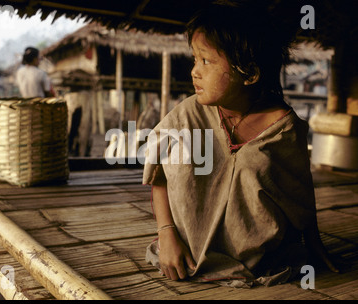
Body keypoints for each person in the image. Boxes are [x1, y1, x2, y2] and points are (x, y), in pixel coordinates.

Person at [143, 0, 338, 288]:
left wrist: (314, 244)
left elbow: (299, 193)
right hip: (186, 255)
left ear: (249, 73)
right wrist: (167, 234)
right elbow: (159, 175)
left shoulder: (283, 129)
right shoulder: (188, 114)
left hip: (259, 263)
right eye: (195, 59)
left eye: (206, 61)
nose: (194, 71)